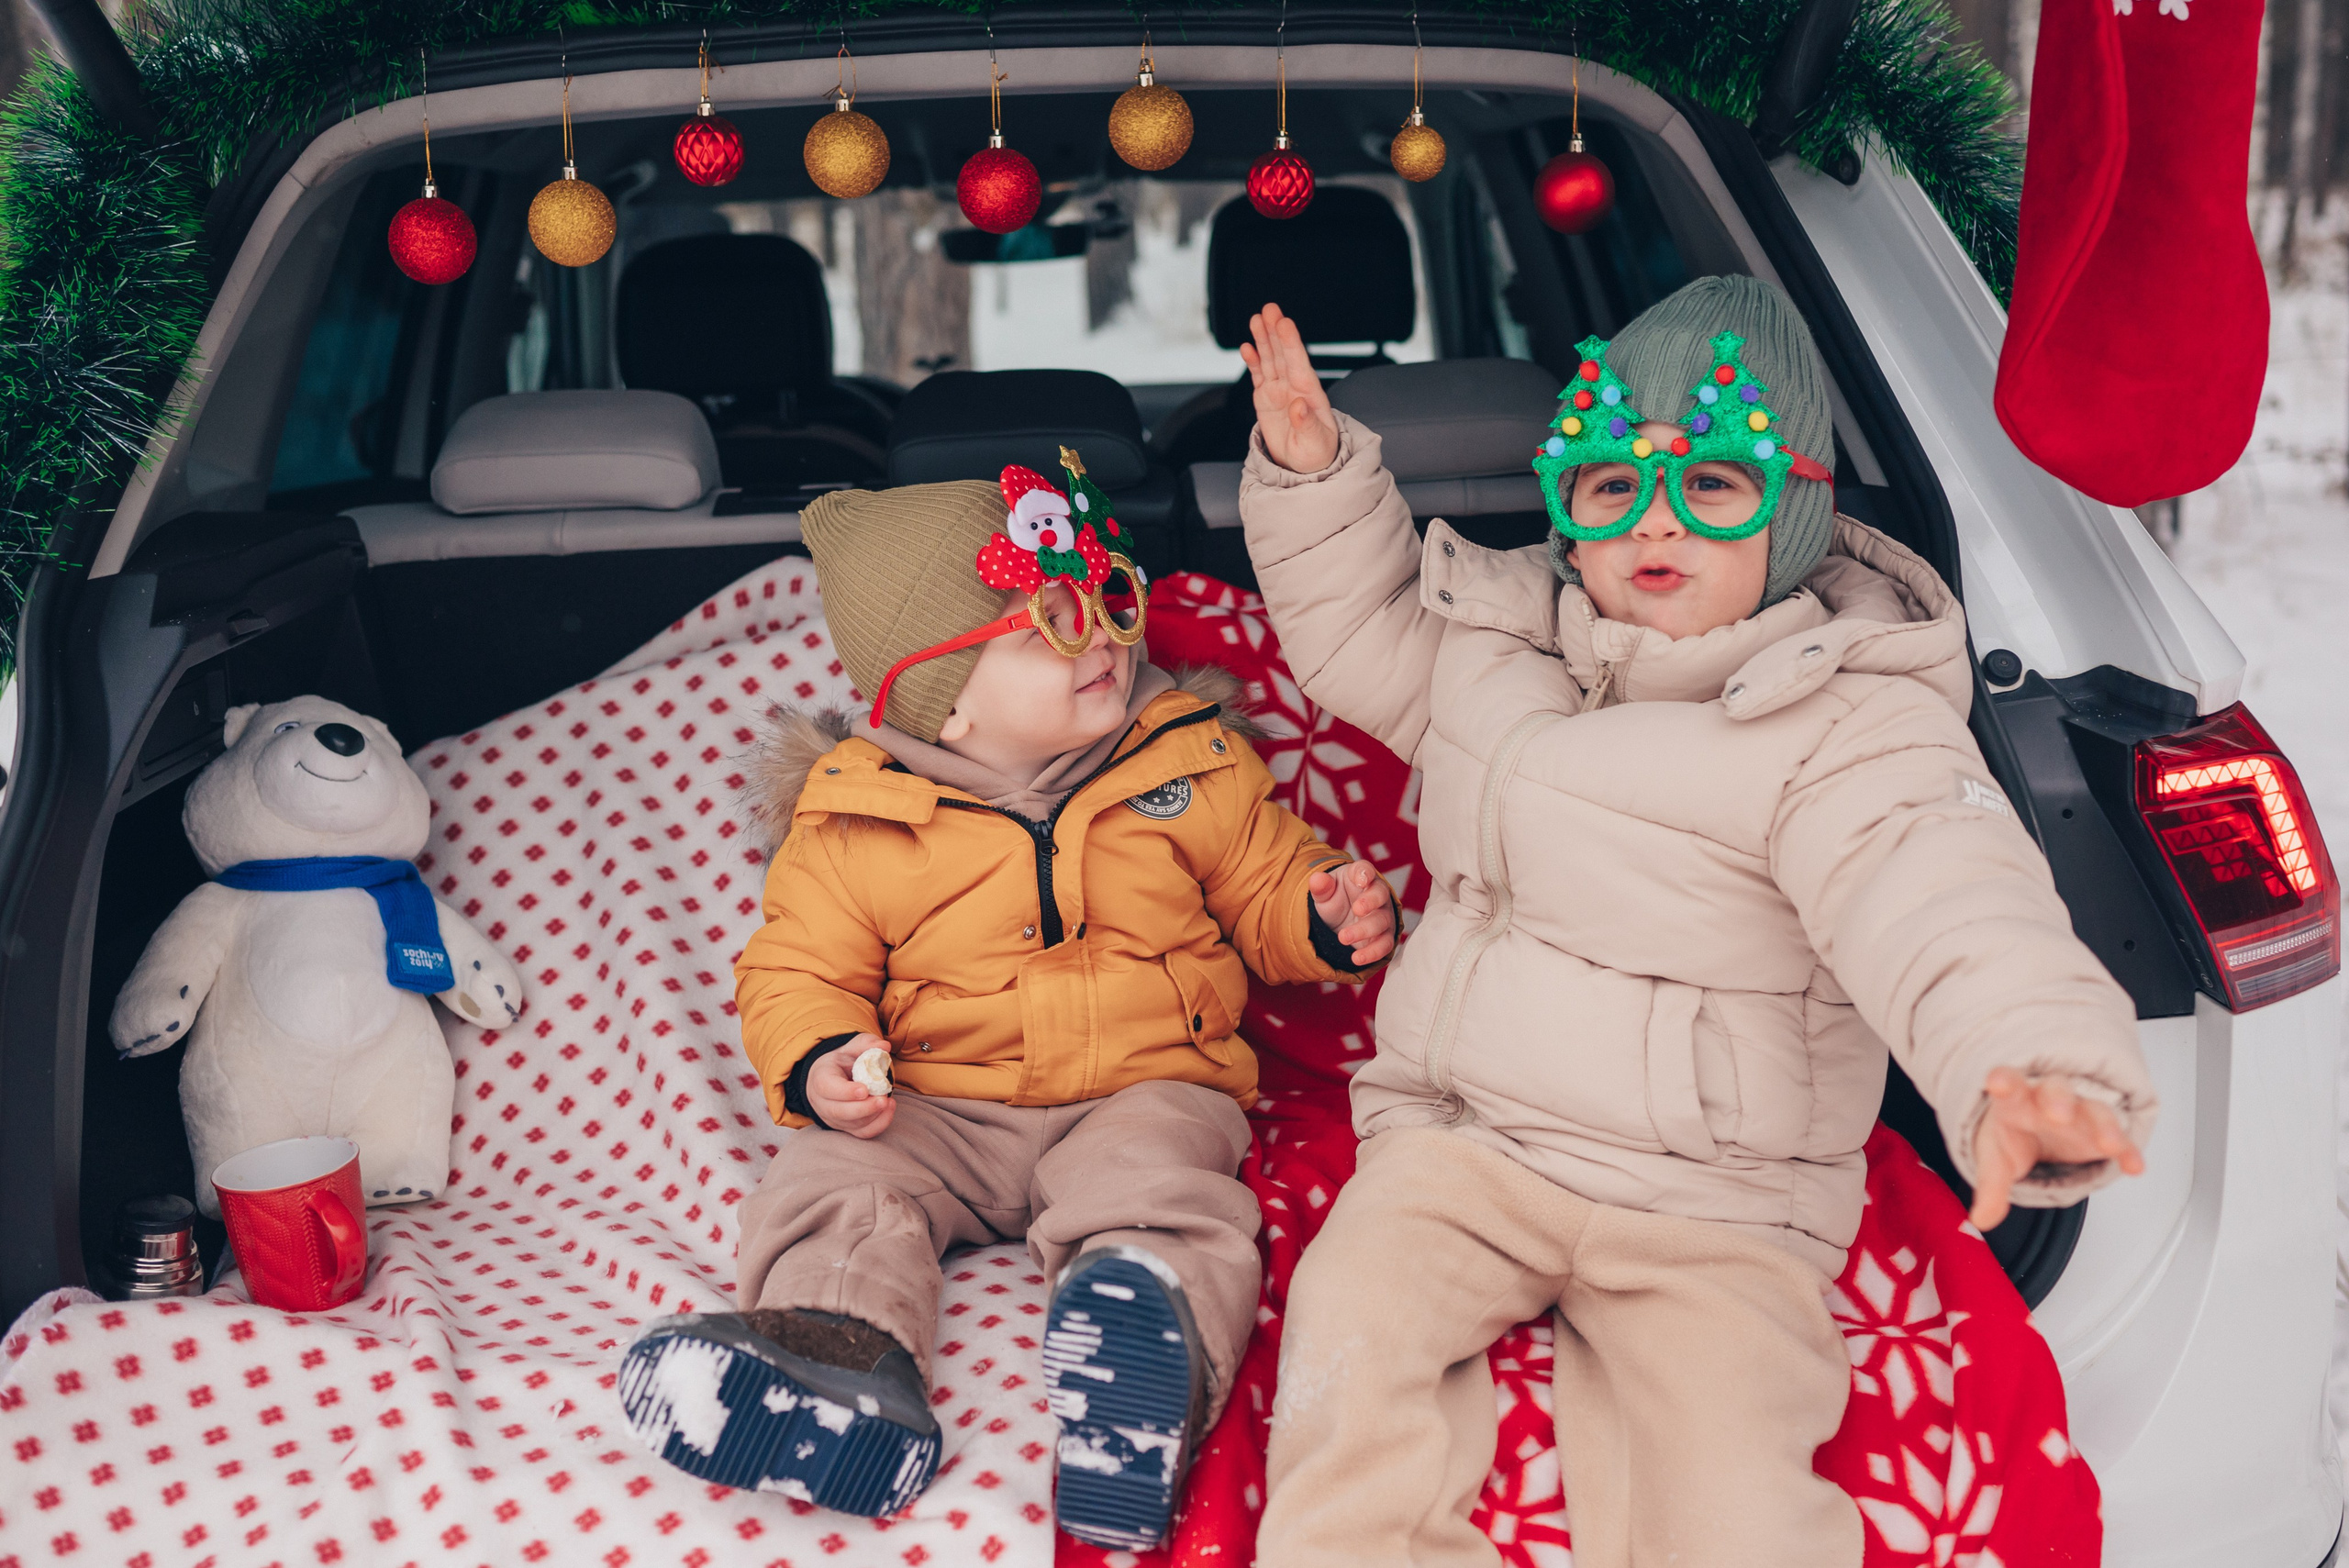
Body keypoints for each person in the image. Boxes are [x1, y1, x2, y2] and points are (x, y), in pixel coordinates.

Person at [1234, 275, 2156, 1568]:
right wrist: (1313, 470)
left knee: (1729, 1494)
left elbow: (1939, 891)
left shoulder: (1846, 719)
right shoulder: (1501, 642)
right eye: (1609, 486)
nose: (1651, 520)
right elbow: (1360, 625)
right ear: (1566, 509)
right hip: (1467, 1145)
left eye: (1712, 484)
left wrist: (2030, 1068)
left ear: (1795, 511)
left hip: (1715, 1202)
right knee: (1352, 1332)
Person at [616, 465, 1396, 1551]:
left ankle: (1140, 1365)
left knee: (1158, 1190)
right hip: (936, 1103)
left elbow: (1264, 885)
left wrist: (1321, 913)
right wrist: (822, 1055)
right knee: (835, 1182)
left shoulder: (1184, 759)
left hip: (1145, 1081)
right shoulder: (854, 822)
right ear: (944, 696)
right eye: (1052, 625)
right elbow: (795, 969)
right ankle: (838, 1360)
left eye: (1110, 603)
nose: (1107, 644)